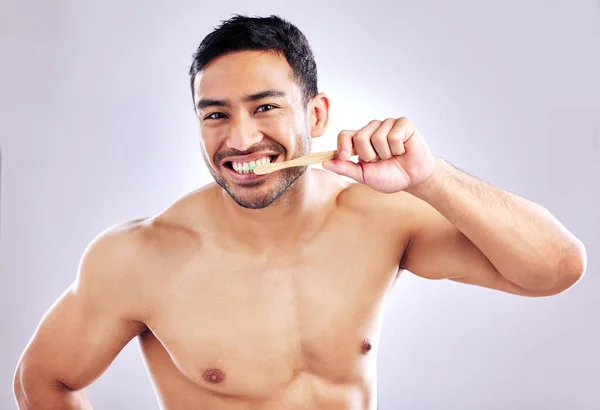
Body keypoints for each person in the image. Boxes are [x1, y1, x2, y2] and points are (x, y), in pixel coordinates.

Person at [14, 14, 586, 410]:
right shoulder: (141, 256)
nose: (240, 139)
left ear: (316, 115)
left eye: (265, 107)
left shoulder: (380, 218)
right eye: (214, 115)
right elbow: (42, 380)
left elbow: (555, 270)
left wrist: (432, 178)